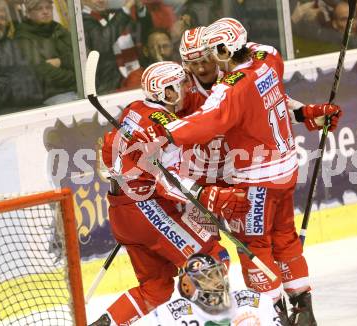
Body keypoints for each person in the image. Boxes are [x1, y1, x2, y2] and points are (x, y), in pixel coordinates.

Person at [140, 17, 343, 325]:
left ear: (218, 52)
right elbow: (160, 117)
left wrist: (301, 112)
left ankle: (278, 313)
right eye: (191, 62)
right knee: (211, 252)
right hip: (204, 181)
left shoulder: (229, 83)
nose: (202, 67)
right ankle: (212, 313)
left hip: (246, 178)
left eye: (206, 57)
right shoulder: (183, 91)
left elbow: (240, 105)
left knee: (255, 247)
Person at [88, 61, 250, 326]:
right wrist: (210, 196)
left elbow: (106, 158)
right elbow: (169, 181)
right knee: (213, 258)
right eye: (180, 84)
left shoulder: (132, 110)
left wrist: (128, 176)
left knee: (156, 288)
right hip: (146, 209)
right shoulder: (168, 127)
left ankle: (106, 324)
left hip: (122, 212)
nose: (186, 88)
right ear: (168, 92)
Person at [143, 253, 285, 325]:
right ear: (187, 288)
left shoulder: (255, 302)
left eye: (216, 276)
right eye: (205, 279)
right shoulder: (169, 316)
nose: (216, 284)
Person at [82, 0, 152, 93]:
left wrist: (140, 8)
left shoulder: (115, 15)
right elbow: (102, 43)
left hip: (135, 75)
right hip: (109, 85)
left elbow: (145, 35)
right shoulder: (82, 21)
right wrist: (126, 8)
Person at [0, 0, 43, 115]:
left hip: (31, 106)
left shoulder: (12, 44)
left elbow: (35, 79)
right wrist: (20, 85)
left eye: (2, 18)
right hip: (0, 115)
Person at [15, 0, 76, 104]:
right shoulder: (23, 37)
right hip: (52, 95)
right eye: (39, 8)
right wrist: (77, 77)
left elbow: (83, 56)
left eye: (48, 7)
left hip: (79, 88)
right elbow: (42, 72)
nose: (45, 12)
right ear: (29, 13)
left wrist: (61, 62)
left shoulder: (59, 29)